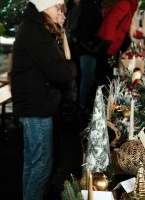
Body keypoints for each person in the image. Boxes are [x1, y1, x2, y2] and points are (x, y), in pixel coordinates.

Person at [10, 0, 77, 199]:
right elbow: (61, 73)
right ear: (44, 7)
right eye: (57, 7)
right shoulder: (36, 33)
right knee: (40, 167)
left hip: (34, 107)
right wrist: (71, 66)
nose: (59, 11)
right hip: (37, 108)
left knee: (33, 165)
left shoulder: (34, 28)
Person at [65, 0, 103, 111]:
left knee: (85, 78)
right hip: (76, 48)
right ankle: (79, 106)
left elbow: (94, 26)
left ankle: (81, 106)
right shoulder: (71, 6)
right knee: (81, 78)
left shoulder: (89, 6)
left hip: (85, 48)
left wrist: (77, 36)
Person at [95, 0, 141, 87]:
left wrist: (142, 35)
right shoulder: (126, 4)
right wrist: (108, 40)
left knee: (106, 79)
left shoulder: (129, 5)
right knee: (103, 80)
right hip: (109, 48)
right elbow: (112, 20)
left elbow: (127, 28)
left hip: (112, 48)